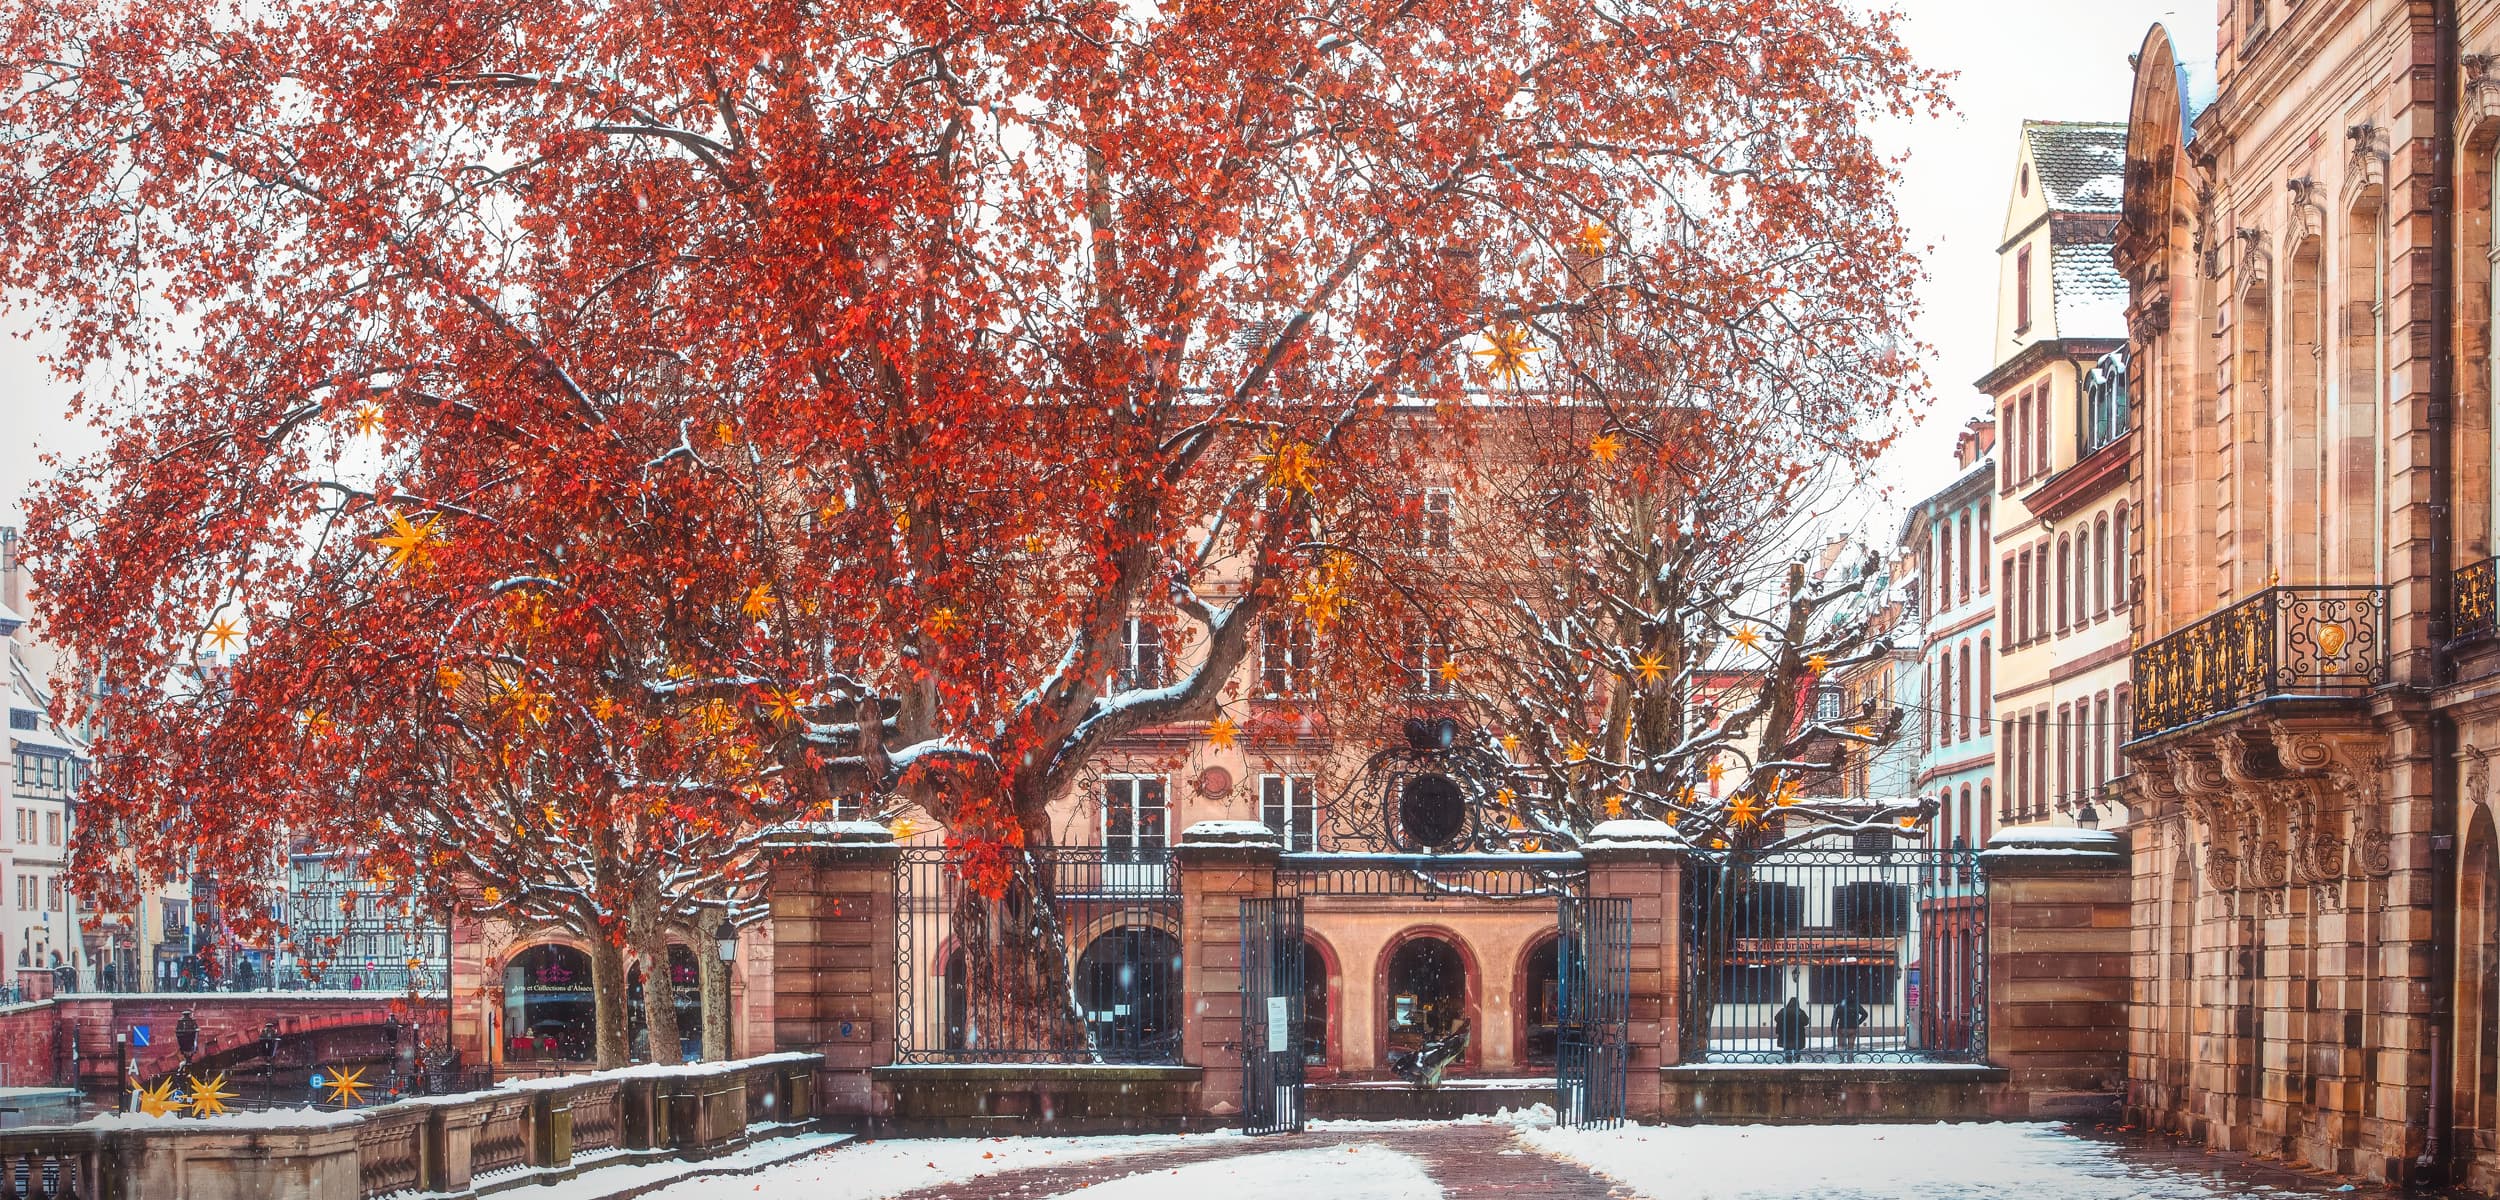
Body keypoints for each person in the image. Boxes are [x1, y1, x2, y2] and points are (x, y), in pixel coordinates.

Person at [1833, 991, 1871, 1060]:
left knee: (1840, 1045)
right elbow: (1865, 1014)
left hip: (1842, 1028)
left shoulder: (1841, 1005)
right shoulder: (1856, 1005)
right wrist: (1858, 1022)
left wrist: (1833, 1028)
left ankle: (1841, 1059)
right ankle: (1849, 1059)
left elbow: (1835, 1017)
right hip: (1852, 1028)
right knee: (1851, 1045)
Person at [1772, 995, 1810, 1063]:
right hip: (1798, 1034)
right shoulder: (1800, 1012)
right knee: (1797, 1049)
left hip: (1786, 1033)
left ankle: (1788, 1061)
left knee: (1788, 1048)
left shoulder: (1784, 1010)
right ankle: (1797, 1061)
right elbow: (1806, 1022)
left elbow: (1776, 1018)